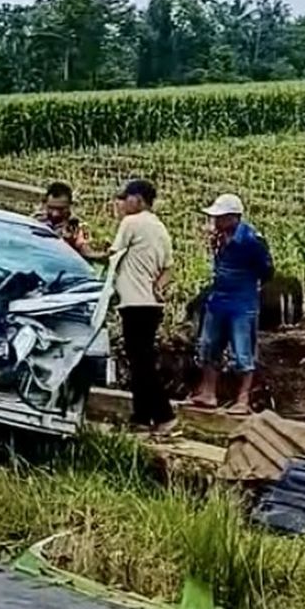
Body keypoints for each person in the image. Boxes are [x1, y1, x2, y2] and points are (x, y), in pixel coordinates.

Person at [189, 194, 273, 415]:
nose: (215, 221)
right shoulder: (219, 238)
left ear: (233, 217)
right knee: (209, 346)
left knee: (242, 352)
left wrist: (248, 285)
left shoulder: (251, 240)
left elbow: (266, 270)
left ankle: (243, 399)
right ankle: (208, 393)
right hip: (219, 299)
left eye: (220, 217)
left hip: (242, 302)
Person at [109, 179, 177, 435]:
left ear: (137, 199)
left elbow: (113, 256)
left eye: (125, 198)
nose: (122, 203)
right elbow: (168, 269)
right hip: (149, 304)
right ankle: (140, 417)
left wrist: (84, 251)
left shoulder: (131, 222)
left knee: (142, 363)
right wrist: (157, 287)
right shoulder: (160, 228)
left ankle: (165, 416)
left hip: (134, 304)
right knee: (140, 361)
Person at [36, 181, 106, 261]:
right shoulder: (35, 220)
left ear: (70, 205)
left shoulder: (79, 226)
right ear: (45, 203)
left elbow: (86, 250)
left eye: (61, 209)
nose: (55, 214)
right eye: (51, 208)